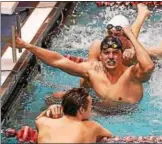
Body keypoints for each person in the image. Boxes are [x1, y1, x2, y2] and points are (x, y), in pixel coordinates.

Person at [15, 24, 154, 104]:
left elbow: (148, 66)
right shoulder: (93, 71)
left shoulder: (131, 74)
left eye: (115, 52)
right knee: (54, 98)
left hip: (127, 119)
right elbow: (58, 61)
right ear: (101, 55)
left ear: (121, 55)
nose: (111, 56)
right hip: (98, 111)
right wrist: (27, 46)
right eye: (106, 52)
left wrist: (131, 36)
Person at [35, 88, 112, 143]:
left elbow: (38, 119)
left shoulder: (44, 122)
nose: (91, 108)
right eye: (90, 106)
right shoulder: (92, 126)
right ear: (81, 110)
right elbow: (111, 137)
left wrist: (48, 110)